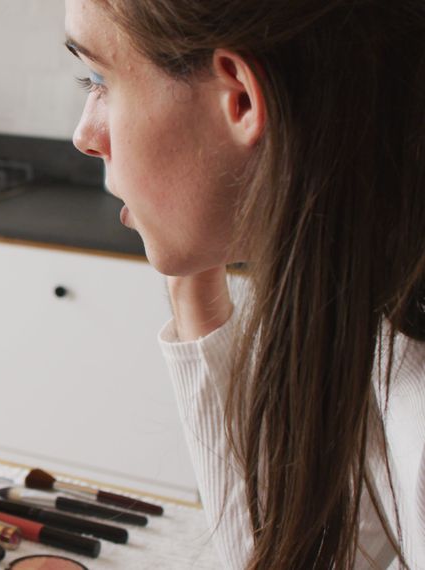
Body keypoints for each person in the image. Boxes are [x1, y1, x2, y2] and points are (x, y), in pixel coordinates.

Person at [65, 1, 424, 568]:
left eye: (100, 80)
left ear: (240, 99)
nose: (85, 135)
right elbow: (302, 555)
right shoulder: (375, 282)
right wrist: (186, 268)